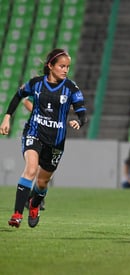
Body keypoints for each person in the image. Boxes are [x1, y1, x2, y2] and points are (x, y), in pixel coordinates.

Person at [0, 48, 87, 228]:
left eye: (67, 67)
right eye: (62, 66)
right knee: (30, 169)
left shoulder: (71, 88)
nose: (65, 70)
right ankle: (17, 214)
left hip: (56, 142)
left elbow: (82, 111)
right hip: (34, 133)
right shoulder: (36, 83)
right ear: (50, 66)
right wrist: (7, 117)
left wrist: (79, 121)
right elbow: (19, 96)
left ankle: (34, 204)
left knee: (42, 182)